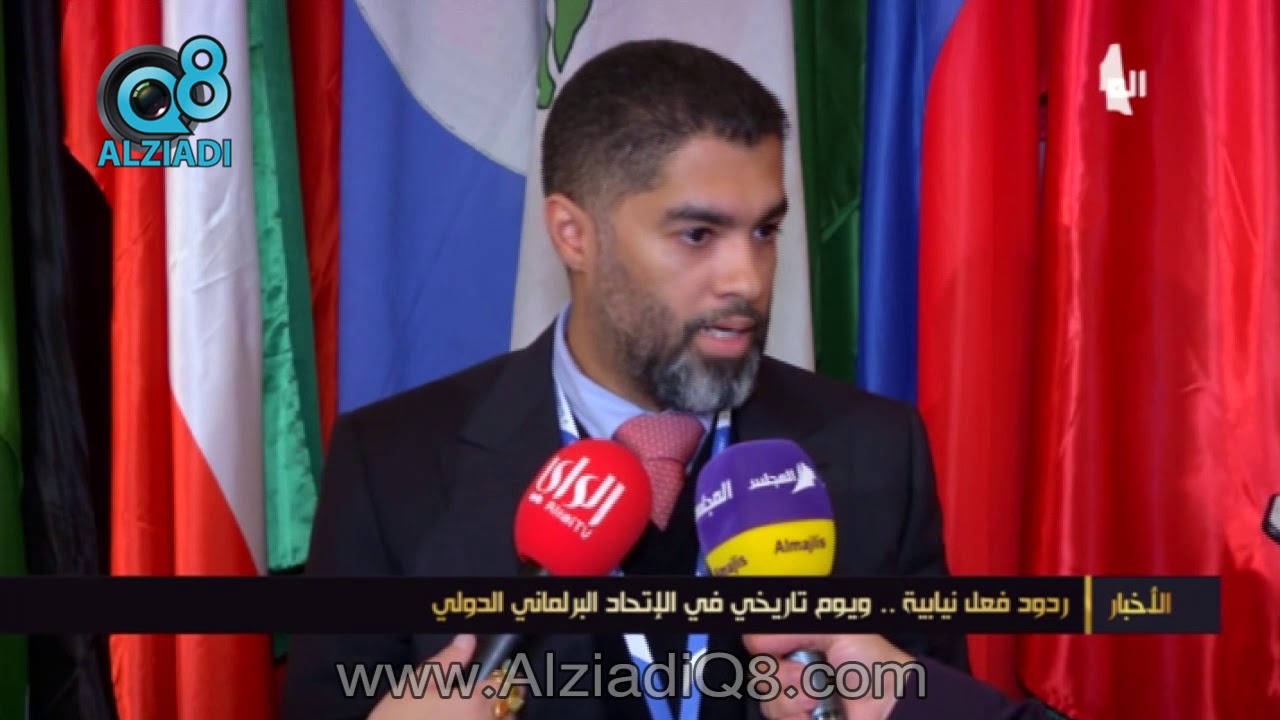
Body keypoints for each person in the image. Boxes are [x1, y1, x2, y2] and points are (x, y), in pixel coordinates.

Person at [282, 39, 1047, 720]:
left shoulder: (874, 450)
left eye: (765, 230)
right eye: (698, 234)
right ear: (574, 235)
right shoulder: (394, 464)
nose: (747, 278)